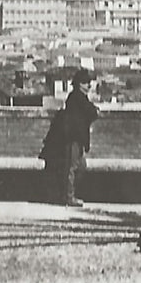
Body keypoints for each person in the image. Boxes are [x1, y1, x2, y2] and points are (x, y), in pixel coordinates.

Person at [39, 70, 100, 207]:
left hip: (75, 138)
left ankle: (67, 195)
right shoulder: (77, 97)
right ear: (79, 84)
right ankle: (68, 197)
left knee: (78, 166)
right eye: (86, 83)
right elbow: (90, 112)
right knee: (72, 167)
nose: (89, 86)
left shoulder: (76, 97)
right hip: (73, 139)